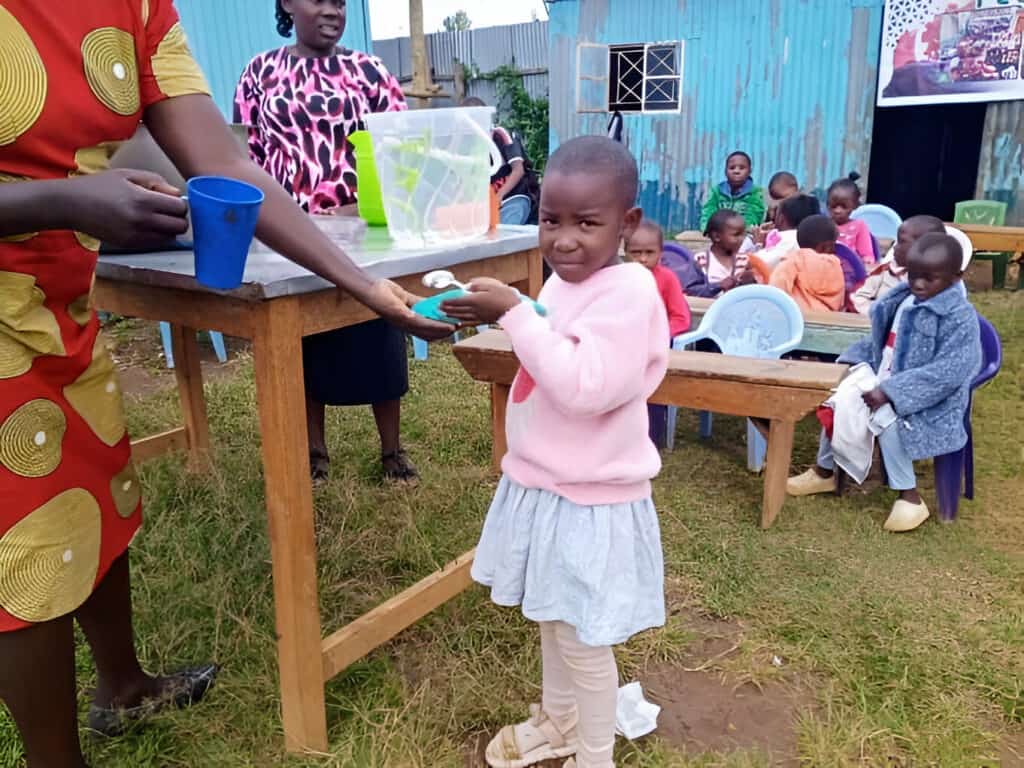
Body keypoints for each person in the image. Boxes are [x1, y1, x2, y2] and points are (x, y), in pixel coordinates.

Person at [0, 2, 449, 766]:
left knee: (97, 487)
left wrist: (364, 285)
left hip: (58, 300)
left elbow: (229, 164)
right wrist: (66, 200)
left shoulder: (139, 9)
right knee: (25, 536)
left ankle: (123, 686)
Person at [441, 136, 669, 768]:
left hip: (590, 499)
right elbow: (546, 337)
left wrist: (515, 313)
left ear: (626, 224)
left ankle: (593, 757)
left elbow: (584, 386)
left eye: (586, 224)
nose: (563, 239)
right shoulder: (573, 281)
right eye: (550, 219)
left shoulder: (628, 293)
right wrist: (504, 310)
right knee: (553, 619)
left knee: (583, 641)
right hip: (547, 486)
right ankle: (560, 721)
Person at [235, 0, 422, 483]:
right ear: (287, 4)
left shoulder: (369, 71)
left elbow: (399, 151)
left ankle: (392, 452)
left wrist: (360, 208)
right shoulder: (260, 73)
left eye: (341, 2)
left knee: (378, 328)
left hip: (362, 236)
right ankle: (314, 452)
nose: (333, 10)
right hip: (288, 240)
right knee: (304, 344)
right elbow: (245, 156)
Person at [787, 234, 981, 533]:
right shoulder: (904, 299)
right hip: (884, 378)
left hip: (931, 401)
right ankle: (825, 471)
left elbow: (950, 372)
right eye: (914, 276)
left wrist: (891, 391)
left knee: (887, 420)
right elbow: (878, 343)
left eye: (929, 279)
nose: (918, 284)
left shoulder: (959, 317)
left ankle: (910, 496)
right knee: (841, 401)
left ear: (956, 278)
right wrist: (849, 362)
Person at [461, 96, 539, 226]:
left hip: (514, 197)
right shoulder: (468, 144)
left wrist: (499, 197)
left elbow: (518, 170)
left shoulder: (501, 135)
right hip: (489, 206)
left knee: (505, 230)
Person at [852, 215, 945, 315]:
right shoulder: (885, 271)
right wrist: (879, 315)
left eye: (901, 242)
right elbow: (859, 298)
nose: (895, 247)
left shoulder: (942, 282)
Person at [625, 220, 691, 337]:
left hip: (658, 341)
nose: (643, 259)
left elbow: (680, 319)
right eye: (636, 253)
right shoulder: (619, 278)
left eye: (649, 252)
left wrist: (659, 335)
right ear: (625, 252)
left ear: (660, 253)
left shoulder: (668, 278)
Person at [770, 215, 846, 313]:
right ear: (827, 247)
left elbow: (777, 288)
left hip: (798, 316)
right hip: (827, 319)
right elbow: (840, 301)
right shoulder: (835, 265)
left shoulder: (794, 259)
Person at [686, 210, 757, 298]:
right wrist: (719, 286)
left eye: (743, 234)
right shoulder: (701, 260)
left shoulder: (745, 261)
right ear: (717, 237)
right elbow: (691, 291)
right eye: (736, 235)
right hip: (707, 310)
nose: (742, 239)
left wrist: (750, 282)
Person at [699, 151, 766, 231]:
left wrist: (740, 231)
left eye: (742, 168)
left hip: (742, 234)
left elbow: (754, 215)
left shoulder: (755, 192)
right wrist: (708, 228)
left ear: (749, 171)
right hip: (719, 232)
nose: (736, 171)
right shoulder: (716, 191)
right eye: (732, 168)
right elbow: (708, 211)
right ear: (725, 171)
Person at [754, 193, 821, 269]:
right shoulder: (812, 239)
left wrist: (758, 244)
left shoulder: (789, 239)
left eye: (777, 214)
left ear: (781, 219)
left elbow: (756, 265)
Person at [827, 174, 875, 266]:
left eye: (844, 207)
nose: (838, 211)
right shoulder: (822, 225)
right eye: (833, 206)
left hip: (851, 273)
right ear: (828, 204)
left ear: (855, 205)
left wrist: (867, 261)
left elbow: (867, 255)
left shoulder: (859, 226)